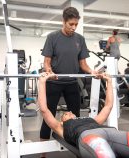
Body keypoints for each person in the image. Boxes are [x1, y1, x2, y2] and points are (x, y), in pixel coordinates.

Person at [38, 72, 129, 158]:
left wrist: (109, 82)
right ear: (61, 122)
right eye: (65, 114)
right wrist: (42, 82)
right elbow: (44, 109)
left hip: (111, 132)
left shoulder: (92, 120)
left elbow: (108, 106)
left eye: (70, 111)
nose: (70, 112)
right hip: (88, 138)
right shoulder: (60, 127)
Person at [40, 6, 98, 153]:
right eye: (70, 24)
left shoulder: (80, 39)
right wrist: (49, 72)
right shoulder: (52, 37)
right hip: (54, 82)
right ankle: (43, 152)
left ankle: (79, 148)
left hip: (72, 82)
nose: (73, 27)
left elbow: (83, 64)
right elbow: (46, 62)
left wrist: (92, 71)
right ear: (63, 21)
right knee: (49, 116)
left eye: (76, 25)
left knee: (77, 117)